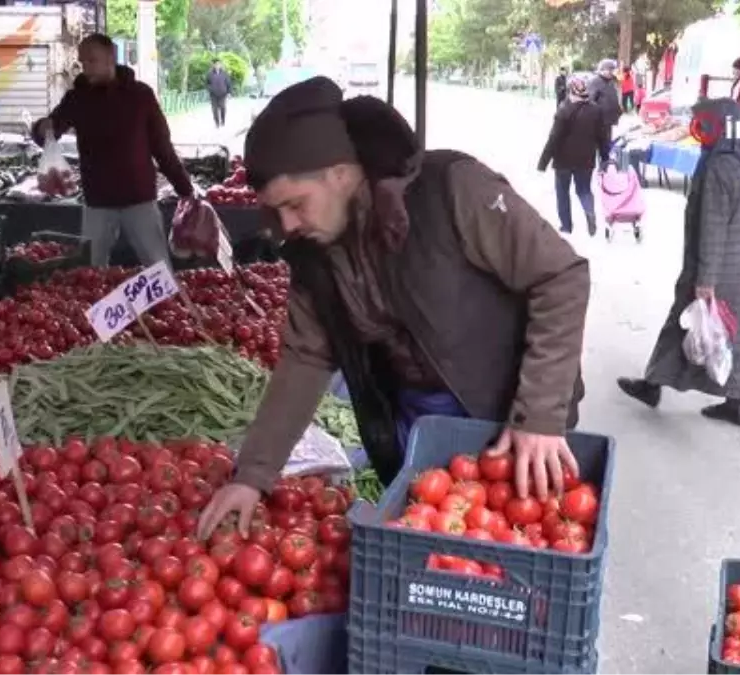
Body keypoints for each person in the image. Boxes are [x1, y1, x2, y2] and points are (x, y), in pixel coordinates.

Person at [196, 77, 590, 537]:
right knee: (433, 555)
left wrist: (538, 415)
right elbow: (305, 358)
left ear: (341, 173)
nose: (287, 224)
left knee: (522, 547)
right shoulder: (314, 255)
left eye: (296, 204)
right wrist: (253, 475)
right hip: (418, 421)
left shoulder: (451, 189)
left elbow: (560, 276)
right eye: (275, 211)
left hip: (513, 410)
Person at [616, 98, 740, 427]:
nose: (700, 131)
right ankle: (735, 402)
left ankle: (652, 385)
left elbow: (712, 227)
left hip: (717, 266)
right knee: (737, 335)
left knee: (679, 325)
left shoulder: (716, 168)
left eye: (706, 125)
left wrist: (706, 280)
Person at [32, 34, 193, 268]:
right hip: (97, 200)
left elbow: (162, 146)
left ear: (110, 58)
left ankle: (166, 293)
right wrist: (41, 128)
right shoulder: (76, 98)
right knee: (90, 269)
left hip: (139, 198)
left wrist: (184, 187)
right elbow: (51, 130)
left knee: (157, 266)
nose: (86, 68)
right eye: (82, 62)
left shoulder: (141, 95)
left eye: (92, 60)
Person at [538, 75, 608, 236]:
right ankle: (589, 212)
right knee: (584, 190)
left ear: (570, 90)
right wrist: (605, 158)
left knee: (562, 192)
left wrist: (543, 162)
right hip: (586, 159)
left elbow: (554, 138)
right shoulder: (596, 110)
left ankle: (566, 226)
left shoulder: (564, 109)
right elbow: (602, 137)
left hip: (563, 160)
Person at [587, 59, 622, 156]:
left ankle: (605, 162)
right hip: (599, 121)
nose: (611, 72)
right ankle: (600, 162)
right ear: (602, 70)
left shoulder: (610, 81)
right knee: (600, 146)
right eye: (609, 69)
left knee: (607, 145)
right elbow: (590, 101)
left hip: (608, 121)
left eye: (612, 70)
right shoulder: (595, 82)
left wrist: (618, 110)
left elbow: (612, 97)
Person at [206, 58, 233, 128]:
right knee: (214, 110)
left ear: (220, 65)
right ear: (213, 65)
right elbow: (207, 83)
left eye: (218, 64)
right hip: (213, 95)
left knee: (223, 107)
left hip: (222, 94)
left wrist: (229, 92)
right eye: (216, 64)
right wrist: (210, 89)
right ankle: (217, 123)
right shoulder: (209, 74)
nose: (217, 65)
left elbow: (228, 83)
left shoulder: (224, 73)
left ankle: (223, 120)